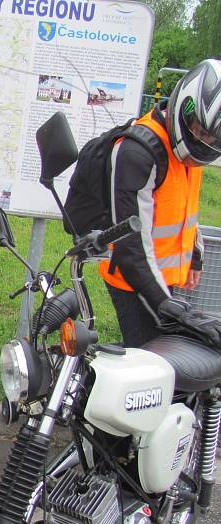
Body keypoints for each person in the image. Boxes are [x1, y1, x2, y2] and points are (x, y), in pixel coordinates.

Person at [100, 58, 221, 348]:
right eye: (200, 133)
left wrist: (195, 253)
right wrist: (170, 307)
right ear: (183, 108)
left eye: (212, 140)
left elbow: (183, 207)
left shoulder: (190, 148)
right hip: (134, 281)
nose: (202, 144)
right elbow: (131, 246)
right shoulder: (138, 153)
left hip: (164, 277)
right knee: (151, 368)